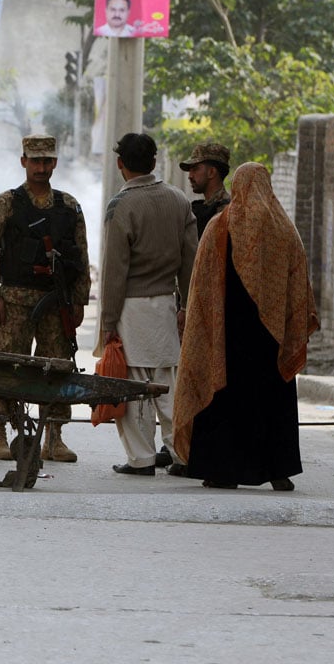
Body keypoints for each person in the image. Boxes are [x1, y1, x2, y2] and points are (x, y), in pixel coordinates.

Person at [172, 163, 319, 491]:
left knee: (224, 399)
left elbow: (201, 287)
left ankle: (221, 470)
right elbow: (299, 285)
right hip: (270, 340)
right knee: (272, 402)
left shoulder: (220, 225)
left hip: (228, 337)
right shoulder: (284, 229)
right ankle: (278, 471)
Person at [0, 134, 91, 462]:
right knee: (4, 366)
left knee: (56, 367)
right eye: (35, 160)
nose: (41, 167)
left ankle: (53, 436)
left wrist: (79, 301)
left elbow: (80, 257)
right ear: (24, 161)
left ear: (55, 162)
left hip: (56, 304)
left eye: (47, 161)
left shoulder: (68, 207)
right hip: (12, 301)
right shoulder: (7, 203)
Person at [97, 132, 197, 476]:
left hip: (132, 309)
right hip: (167, 307)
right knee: (168, 385)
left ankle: (141, 458)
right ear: (154, 162)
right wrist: (186, 307)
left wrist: (108, 323)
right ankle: (183, 454)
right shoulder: (179, 200)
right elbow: (190, 263)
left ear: (120, 163)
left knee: (135, 386)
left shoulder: (120, 206)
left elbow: (114, 272)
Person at [179, 143, 232, 238]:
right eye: (190, 170)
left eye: (195, 169)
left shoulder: (226, 210)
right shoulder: (203, 207)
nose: (190, 176)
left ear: (211, 172)